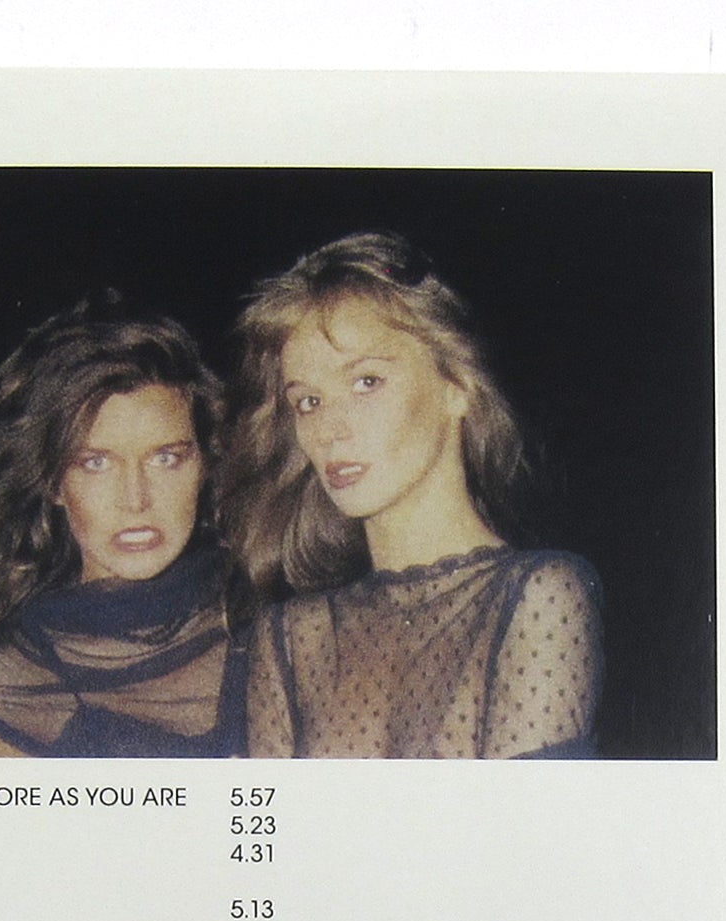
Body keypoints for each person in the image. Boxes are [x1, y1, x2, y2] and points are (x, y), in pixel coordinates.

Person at [221, 233, 602, 759]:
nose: (329, 430)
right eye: (308, 401)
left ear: (456, 386)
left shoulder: (536, 598)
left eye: (366, 382)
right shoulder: (290, 640)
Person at [0, 300, 245, 757]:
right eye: (96, 463)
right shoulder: (5, 694)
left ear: (204, 463)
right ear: (53, 482)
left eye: (165, 458)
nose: (136, 499)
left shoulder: (273, 613)